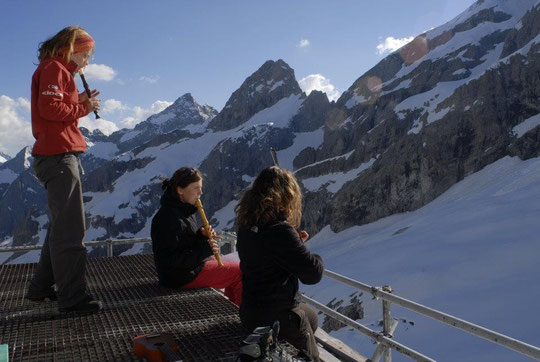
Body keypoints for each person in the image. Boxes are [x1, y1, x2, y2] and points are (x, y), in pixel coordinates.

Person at [25, 26, 102, 313]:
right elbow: (50, 109)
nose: (87, 61)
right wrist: (85, 107)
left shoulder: (55, 69)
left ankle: (40, 287)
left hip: (55, 156)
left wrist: (78, 100)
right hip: (59, 156)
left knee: (61, 227)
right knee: (71, 231)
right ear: (74, 49)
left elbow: (53, 106)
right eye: (86, 54)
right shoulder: (56, 69)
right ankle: (72, 298)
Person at [235, 166, 324, 361]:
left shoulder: (246, 224)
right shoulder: (280, 230)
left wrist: (293, 245)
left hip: (250, 311)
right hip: (277, 317)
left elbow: (267, 254)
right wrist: (307, 251)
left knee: (311, 316)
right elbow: (312, 274)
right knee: (310, 349)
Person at [151, 167, 242, 306]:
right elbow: (172, 261)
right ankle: (241, 316)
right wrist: (206, 248)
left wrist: (201, 235)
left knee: (234, 270)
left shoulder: (183, 209)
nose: (201, 192)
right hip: (180, 276)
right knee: (241, 273)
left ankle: (234, 309)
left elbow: (185, 242)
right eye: (196, 188)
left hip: (185, 271)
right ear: (180, 190)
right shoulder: (168, 218)